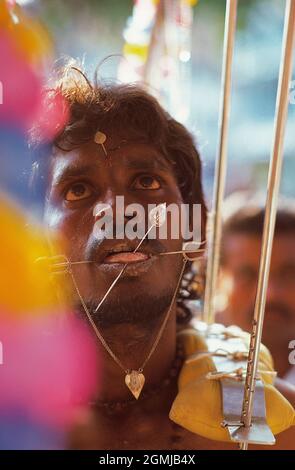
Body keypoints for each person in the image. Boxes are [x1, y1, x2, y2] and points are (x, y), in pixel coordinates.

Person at [30, 66, 294, 450]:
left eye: (146, 182)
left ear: (196, 230)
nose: (116, 211)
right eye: (78, 189)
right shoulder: (15, 416)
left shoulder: (278, 428)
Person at [218, 192, 295, 387]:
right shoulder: (188, 376)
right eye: (248, 275)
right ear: (218, 279)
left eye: (289, 274)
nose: (270, 295)